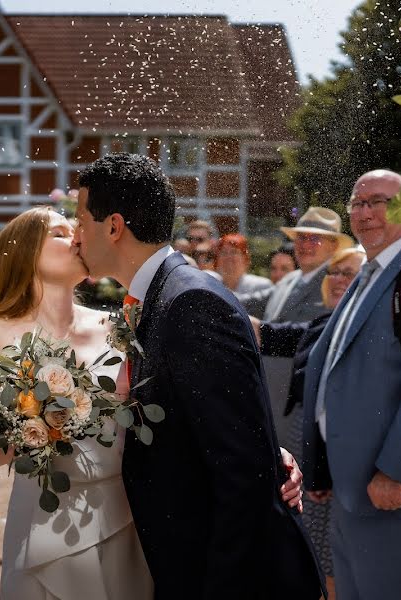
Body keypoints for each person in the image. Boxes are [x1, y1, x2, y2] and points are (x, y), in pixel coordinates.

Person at [72, 153, 322, 599]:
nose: (74, 236)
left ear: (113, 226)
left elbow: (241, 472)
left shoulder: (190, 303)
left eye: (79, 219)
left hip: (232, 578)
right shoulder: (161, 297)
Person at [0, 206, 154, 600]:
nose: (78, 237)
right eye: (62, 232)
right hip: (45, 513)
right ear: (26, 251)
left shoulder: (116, 325)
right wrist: (34, 433)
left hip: (126, 512)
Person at [303, 169, 401, 600]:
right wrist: (321, 466)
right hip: (351, 490)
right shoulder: (369, 272)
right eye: (357, 204)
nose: (364, 212)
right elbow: (333, 366)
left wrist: (395, 472)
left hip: (390, 495)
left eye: (377, 201)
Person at [250, 246, 365, 599]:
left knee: (331, 561)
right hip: (310, 454)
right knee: (315, 551)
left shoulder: (359, 328)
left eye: (350, 273)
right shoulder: (324, 322)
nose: (338, 280)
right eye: (335, 272)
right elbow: (269, 334)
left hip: (335, 464)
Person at [236, 207, 353, 439]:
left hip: (298, 406)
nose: (304, 244)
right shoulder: (290, 279)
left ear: (333, 246)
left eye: (314, 239)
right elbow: (248, 303)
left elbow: (308, 333)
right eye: (300, 237)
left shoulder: (336, 286)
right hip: (270, 399)